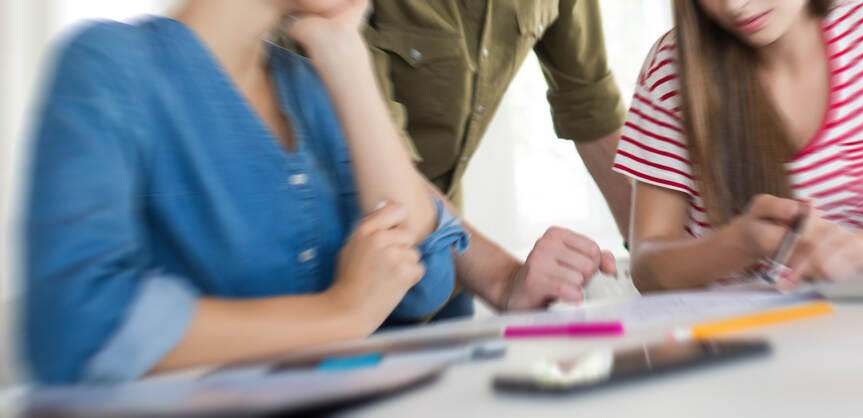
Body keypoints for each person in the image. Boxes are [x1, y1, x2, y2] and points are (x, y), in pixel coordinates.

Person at [21, 0, 610, 385]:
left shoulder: (309, 83)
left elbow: (422, 280)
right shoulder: (107, 66)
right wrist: (341, 312)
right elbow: (82, 326)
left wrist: (345, 51)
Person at [615, 0, 863, 291]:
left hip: (860, 328)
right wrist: (739, 243)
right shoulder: (671, 70)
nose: (735, 6)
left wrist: (858, 254)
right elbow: (647, 268)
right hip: (732, 347)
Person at [333, 0, 633, 317]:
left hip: (445, 258)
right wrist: (503, 280)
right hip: (341, 265)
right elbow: (373, 156)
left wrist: (654, 252)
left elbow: (590, 104)